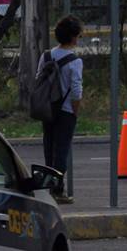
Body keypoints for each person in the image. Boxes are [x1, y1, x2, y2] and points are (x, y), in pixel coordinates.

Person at [36, 15, 83, 204]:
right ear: (73, 37)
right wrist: (75, 111)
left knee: (49, 147)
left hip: (47, 108)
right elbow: (76, 91)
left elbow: (39, 78)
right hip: (65, 110)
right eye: (78, 35)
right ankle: (58, 189)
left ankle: (48, 187)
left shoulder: (46, 55)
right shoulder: (74, 61)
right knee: (62, 150)